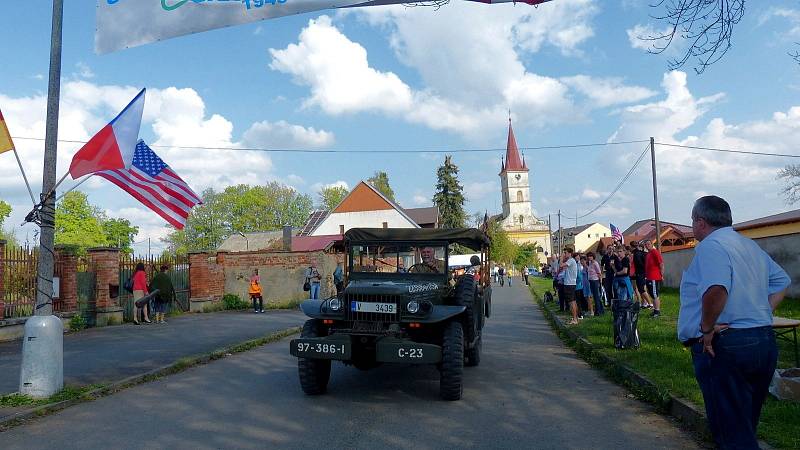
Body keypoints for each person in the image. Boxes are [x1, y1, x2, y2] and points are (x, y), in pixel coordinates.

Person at [677, 195, 790, 449]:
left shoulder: (710, 246)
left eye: (693, 221)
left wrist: (706, 328)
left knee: (731, 432)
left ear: (701, 222)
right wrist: (761, 311)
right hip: (761, 340)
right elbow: (781, 281)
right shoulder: (748, 246)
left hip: (726, 345)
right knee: (744, 424)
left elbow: (717, 288)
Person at [644, 239, 664, 318]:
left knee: (655, 294)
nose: (647, 245)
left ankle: (657, 311)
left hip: (654, 277)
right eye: (646, 244)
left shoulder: (655, 252)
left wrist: (661, 275)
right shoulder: (648, 253)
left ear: (652, 244)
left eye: (648, 244)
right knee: (652, 294)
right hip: (649, 277)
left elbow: (661, 264)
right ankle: (655, 310)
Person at [559, 248, 579, 325]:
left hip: (569, 284)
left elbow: (561, 265)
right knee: (573, 301)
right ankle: (575, 318)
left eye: (566, 253)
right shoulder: (571, 261)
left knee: (571, 302)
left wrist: (561, 258)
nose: (565, 254)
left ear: (570, 253)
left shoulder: (571, 260)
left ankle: (574, 319)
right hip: (571, 283)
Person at [632, 241, 650, 308]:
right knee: (641, 289)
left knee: (641, 289)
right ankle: (644, 303)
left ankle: (649, 303)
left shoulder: (637, 254)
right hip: (643, 272)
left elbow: (640, 263)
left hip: (640, 273)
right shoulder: (644, 253)